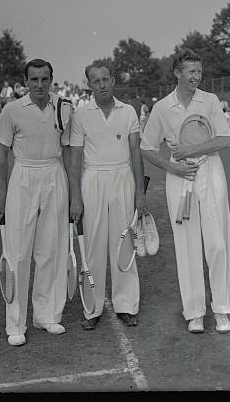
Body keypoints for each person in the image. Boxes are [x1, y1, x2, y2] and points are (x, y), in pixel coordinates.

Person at [140, 49, 230, 334]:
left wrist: (191, 150)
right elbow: (146, 148)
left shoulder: (211, 100)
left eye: (199, 71)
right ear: (177, 74)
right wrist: (174, 168)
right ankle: (194, 311)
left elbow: (225, 139)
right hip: (179, 178)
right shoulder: (162, 107)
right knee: (187, 243)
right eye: (191, 72)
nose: (197, 76)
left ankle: (221, 309)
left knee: (217, 243)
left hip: (210, 173)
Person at [0, 59, 74, 346]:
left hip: (54, 174)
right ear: (25, 81)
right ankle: (15, 325)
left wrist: (72, 190)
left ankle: (46, 315)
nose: (40, 85)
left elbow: (67, 152)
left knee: (50, 249)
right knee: (18, 252)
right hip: (23, 177)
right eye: (34, 79)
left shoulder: (64, 107)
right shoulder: (12, 110)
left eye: (44, 79)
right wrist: (2, 193)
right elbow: (2, 153)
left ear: (52, 79)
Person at [68, 64, 147, 331]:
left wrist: (139, 192)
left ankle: (127, 305)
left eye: (105, 79)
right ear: (89, 84)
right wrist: (75, 197)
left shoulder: (129, 112)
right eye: (95, 81)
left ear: (113, 81)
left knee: (124, 243)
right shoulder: (81, 115)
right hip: (93, 181)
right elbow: (75, 158)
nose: (101, 85)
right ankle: (92, 307)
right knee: (93, 245)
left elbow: (136, 151)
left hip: (123, 178)